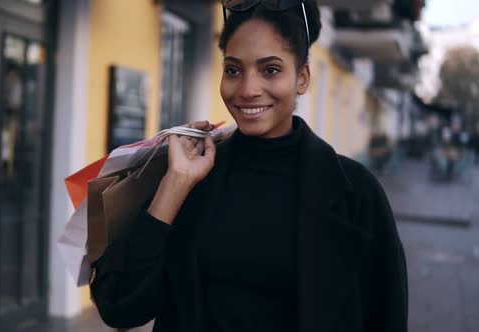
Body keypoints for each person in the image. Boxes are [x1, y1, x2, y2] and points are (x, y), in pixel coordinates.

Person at [89, 1, 408, 331]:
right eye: (233, 70)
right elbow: (120, 306)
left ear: (302, 77)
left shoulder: (356, 193)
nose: (247, 90)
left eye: (270, 69)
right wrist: (174, 185)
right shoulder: (194, 178)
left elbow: (387, 318)